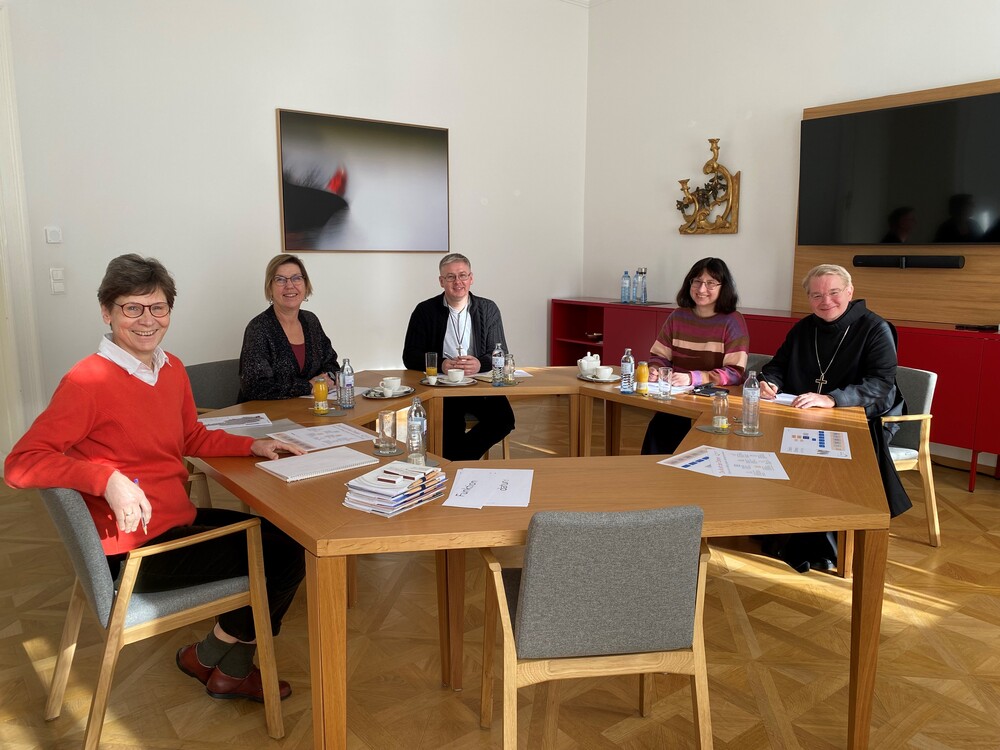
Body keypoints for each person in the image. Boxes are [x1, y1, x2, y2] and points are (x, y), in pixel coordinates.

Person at [4, 254, 306, 702]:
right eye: (132, 308)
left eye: (158, 307)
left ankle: (210, 656)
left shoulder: (171, 368)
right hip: (134, 552)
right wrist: (105, 478)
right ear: (107, 313)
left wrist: (253, 446)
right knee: (283, 556)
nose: (147, 320)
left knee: (285, 540)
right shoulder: (87, 381)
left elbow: (192, 436)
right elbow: (19, 463)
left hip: (173, 523)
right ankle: (222, 662)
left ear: (168, 311)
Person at [759, 263, 911, 573]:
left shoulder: (875, 328)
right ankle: (776, 522)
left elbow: (880, 384)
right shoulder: (804, 328)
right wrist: (771, 381)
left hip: (866, 414)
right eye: (816, 295)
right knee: (771, 437)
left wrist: (832, 399)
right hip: (808, 413)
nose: (825, 301)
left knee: (825, 451)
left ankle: (823, 545)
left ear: (850, 292)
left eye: (833, 292)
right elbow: (777, 364)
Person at [401, 253, 515, 460]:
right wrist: (442, 365)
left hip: (479, 385)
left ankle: (454, 462)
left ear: (471, 278)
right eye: (451, 277)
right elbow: (410, 356)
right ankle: (457, 465)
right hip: (442, 387)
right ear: (441, 281)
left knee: (503, 419)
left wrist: (479, 363)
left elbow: (501, 353)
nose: (458, 282)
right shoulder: (424, 310)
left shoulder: (488, 309)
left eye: (462, 275)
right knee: (447, 430)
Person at [641, 257, 749, 454]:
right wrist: (655, 369)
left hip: (714, 403)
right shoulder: (678, 316)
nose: (701, 289)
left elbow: (735, 373)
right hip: (677, 399)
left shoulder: (732, 321)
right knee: (658, 435)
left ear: (723, 287)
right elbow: (659, 355)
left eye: (710, 283)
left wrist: (693, 378)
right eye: (697, 281)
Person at [238, 253, 339, 401]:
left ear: (305, 285)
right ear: (270, 288)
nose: (290, 285)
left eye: (296, 278)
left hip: (308, 410)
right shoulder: (259, 328)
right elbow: (255, 386)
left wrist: (327, 379)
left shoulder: (311, 321)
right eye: (280, 280)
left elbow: (332, 364)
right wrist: (308, 386)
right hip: (268, 416)